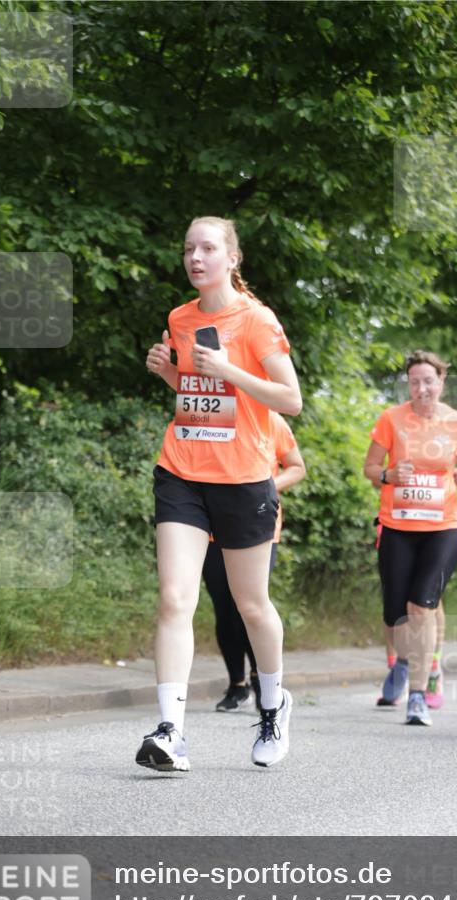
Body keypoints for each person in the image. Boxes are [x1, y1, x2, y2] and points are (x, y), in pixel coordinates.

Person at [136, 216, 302, 771]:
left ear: (232, 258)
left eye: (208, 247)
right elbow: (202, 397)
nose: (195, 257)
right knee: (174, 599)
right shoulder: (180, 318)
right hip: (182, 471)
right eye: (189, 248)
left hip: (244, 480)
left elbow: (290, 399)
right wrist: (171, 375)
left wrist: (230, 368)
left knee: (251, 605)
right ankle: (170, 733)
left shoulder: (256, 321)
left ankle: (273, 707)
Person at [364, 350, 457, 726]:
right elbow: (370, 468)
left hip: (443, 528)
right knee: (396, 615)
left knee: (421, 608)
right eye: (415, 382)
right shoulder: (391, 419)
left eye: (429, 381)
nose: (422, 388)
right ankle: (406, 663)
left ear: (441, 382)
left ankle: (418, 693)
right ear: (407, 385)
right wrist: (389, 476)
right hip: (397, 526)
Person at [205, 412, 305, 712]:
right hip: (211, 526)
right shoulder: (212, 414)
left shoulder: (271, 420)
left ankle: (261, 679)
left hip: (257, 526)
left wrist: (265, 487)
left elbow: (297, 467)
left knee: (249, 605)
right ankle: (237, 685)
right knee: (223, 606)